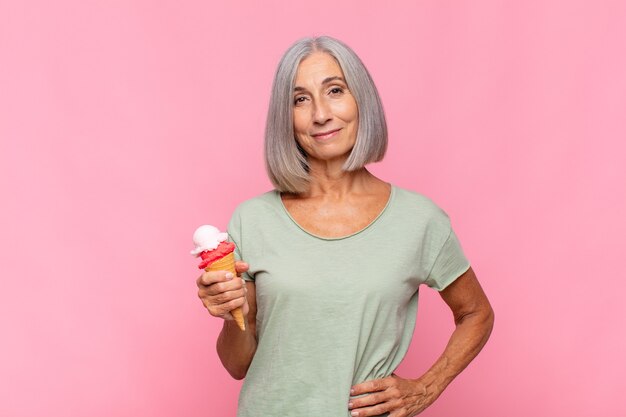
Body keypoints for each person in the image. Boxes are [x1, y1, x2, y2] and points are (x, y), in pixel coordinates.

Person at [196, 36, 494, 417]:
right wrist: (229, 312)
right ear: (285, 118)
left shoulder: (419, 220)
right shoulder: (252, 219)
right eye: (299, 99)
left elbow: (477, 313)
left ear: (361, 100)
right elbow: (237, 365)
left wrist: (426, 388)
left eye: (334, 90)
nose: (320, 114)